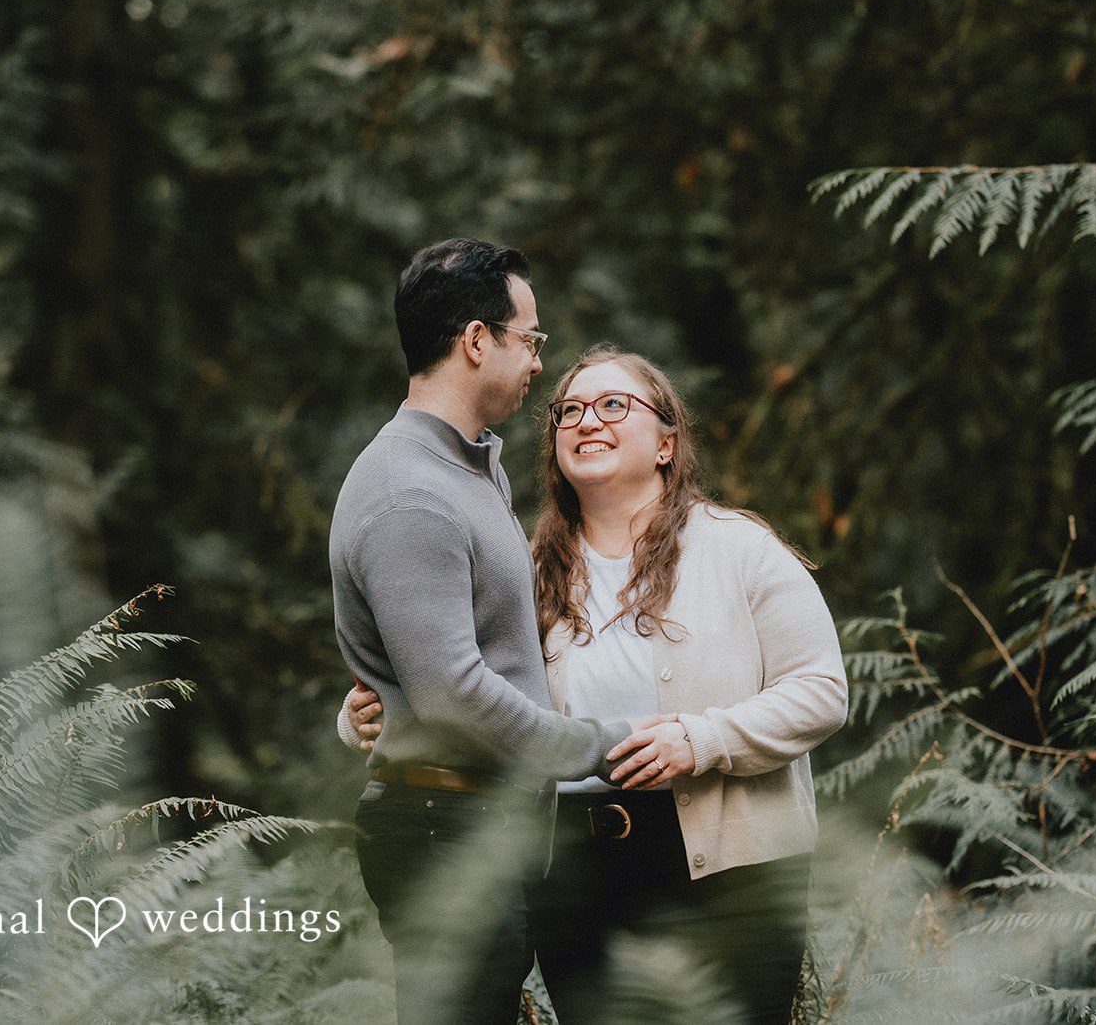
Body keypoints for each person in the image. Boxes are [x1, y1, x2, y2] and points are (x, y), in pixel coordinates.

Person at [344, 345, 849, 1024]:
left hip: (734, 877)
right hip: (575, 877)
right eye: (569, 411)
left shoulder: (741, 549)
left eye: (614, 404)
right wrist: (367, 712)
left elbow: (821, 689)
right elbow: (454, 684)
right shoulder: (522, 571)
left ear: (667, 444)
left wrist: (703, 739)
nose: (587, 421)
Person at [330, 241, 661, 1025]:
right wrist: (600, 747)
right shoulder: (411, 492)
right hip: (443, 828)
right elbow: (450, 693)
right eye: (530, 339)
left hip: (478, 821)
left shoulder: (467, 468)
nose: (539, 362)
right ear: (478, 340)